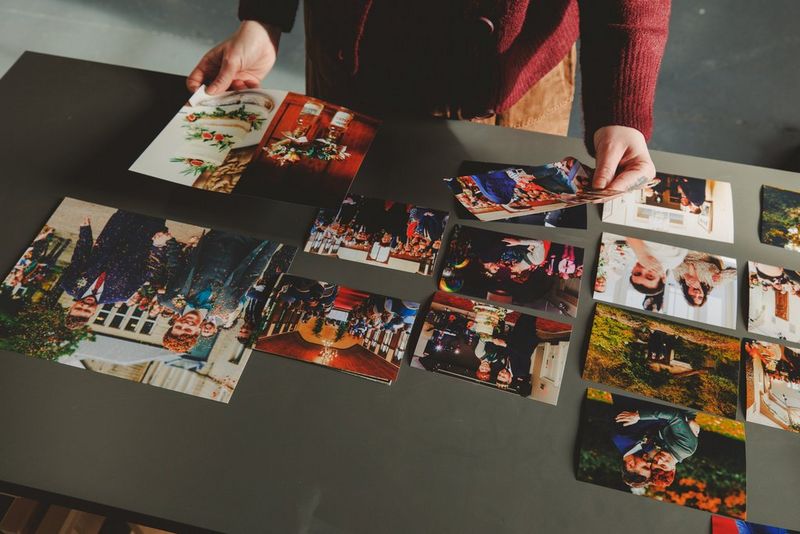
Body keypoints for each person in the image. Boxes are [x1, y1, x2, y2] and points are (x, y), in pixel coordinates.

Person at [187, 1, 671, 192]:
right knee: (330, 194)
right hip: (352, 47)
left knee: (490, 208)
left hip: (511, 71)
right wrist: (263, 16)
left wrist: (621, 110)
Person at [160, 230, 281, 352]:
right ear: (196, 332)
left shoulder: (170, 300)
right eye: (188, 330)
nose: (185, 324)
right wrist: (272, 244)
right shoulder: (226, 308)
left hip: (216, 236)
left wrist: (170, 242)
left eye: (179, 326)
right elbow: (252, 273)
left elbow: (175, 267)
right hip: (248, 242)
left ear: (174, 324)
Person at [59, 211, 170, 329]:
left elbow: (80, 256)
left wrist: (85, 230)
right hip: (144, 240)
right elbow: (148, 271)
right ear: (92, 314)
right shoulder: (121, 295)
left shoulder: (69, 285)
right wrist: (158, 246)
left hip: (114, 232)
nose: (86, 306)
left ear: (72, 307)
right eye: (87, 311)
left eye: (79, 308)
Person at [671, 252, 736, 307]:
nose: (697, 294)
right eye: (700, 297)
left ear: (687, 293)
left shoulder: (678, 277)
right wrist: (721, 274)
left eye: (693, 296)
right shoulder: (714, 282)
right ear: (704, 295)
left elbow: (674, 258)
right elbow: (735, 273)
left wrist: (686, 275)